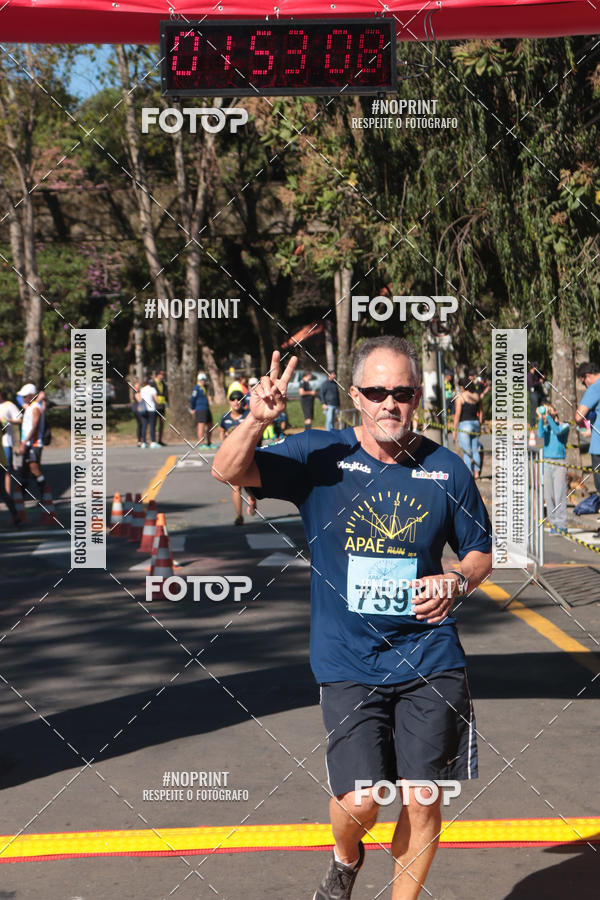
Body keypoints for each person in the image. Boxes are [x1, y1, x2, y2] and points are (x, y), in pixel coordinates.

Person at [213, 337, 492, 900]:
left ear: (418, 397)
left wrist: (457, 581)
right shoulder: (318, 457)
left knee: (422, 796)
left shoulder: (447, 469)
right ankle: (345, 858)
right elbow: (227, 471)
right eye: (376, 391)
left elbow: (479, 550)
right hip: (347, 658)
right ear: (355, 397)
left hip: (429, 655)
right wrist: (254, 421)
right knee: (362, 800)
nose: (390, 403)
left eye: (402, 392)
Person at [575, 361, 600, 532]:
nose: (585, 386)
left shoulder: (594, 388)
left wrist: (587, 420)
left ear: (587, 377)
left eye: (583, 382)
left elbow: (579, 416)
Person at [537, 404, 570, 534]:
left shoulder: (564, 426)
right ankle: (553, 523)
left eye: (550, 410)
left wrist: (549, 417)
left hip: (559, 463)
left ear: (555, 411)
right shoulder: (546, 426)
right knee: (549, 496)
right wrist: (541, 418)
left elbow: (557, 431)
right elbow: (540, 433)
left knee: (559, 494)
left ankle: (562, 524)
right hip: (547, 463)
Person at [218, 391, 249, 525]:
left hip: (248, 454)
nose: (236, 402)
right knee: (236, 486)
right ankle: (239, 516)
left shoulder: (249, 415)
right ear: (229, 402)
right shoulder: (225, 417)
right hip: (233, 457)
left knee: (250, 486)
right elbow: (221, 432)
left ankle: (252, 500)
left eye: (239, 399)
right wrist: (224, 441)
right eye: (233, 399)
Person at [18, 384, 48, 501]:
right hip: (28, 443)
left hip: (33, 444)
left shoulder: (35, 408)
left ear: (31, 395)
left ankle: (45, 494)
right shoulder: (31, 406)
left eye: (25, 396)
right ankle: (20, 496)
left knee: (34, 469)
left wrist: (24, 442)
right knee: (24, 470)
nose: (23, 398)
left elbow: (35, 426)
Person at [452, 376, 483, 478]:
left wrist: (454, 430)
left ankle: (469, 473)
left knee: (467, 451)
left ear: (462, 387)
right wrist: (480, 424)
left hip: (465, 425)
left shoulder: (461, 397)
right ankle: (477, 473)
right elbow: (481, 412)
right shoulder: (477, 396)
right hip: (475, 424)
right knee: (475, 450)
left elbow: (457, 415)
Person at [0, 388, 21, 497]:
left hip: (6, 443)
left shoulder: (9, 405)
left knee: (6, 470)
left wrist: (8, 421)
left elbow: (19, 419)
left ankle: (8, 494)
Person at [190, 373, 213, 448]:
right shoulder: (196, 388)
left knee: (210, 424)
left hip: (206, 408)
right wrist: (193, 408)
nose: (203, 381)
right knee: (201, 426)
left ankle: (209, 442)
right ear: (198, 380)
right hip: (200, 409)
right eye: (201, 380)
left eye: (204, 380)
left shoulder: (204, 387)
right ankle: (202, 443)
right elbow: (192, 399)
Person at [139, 375, 160, 448]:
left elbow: (140, 399)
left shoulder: (142, 389)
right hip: (151, 409)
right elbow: (156, 399)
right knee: (152, 426)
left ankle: (144, 442)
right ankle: (153, 442)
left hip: (143, 409)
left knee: (144, 426)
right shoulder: (152, 389)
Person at [151, 369, 168, 444]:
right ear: (158, 375)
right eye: (161, 375)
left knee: (162, 423)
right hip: (154, 406)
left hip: (162, 406)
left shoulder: (163, 384)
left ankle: (160, 440)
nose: (163, 376)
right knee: (153, 423)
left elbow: (166, 394)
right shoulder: (152, 383)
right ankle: (153, 440)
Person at [527, 362, 545, 430]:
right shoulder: (529, 375)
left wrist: (542, 378)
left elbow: (541, 379)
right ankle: (532, 424)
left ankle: (541, 422)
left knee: (541, 408)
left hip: (538, 393)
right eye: (536, 368)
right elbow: (531, 384)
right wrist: (539, 382)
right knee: (534, 409)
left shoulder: (536, 375)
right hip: (533, 393)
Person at [130, 380, 145, 447]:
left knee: (141, 424)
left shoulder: (137, 390)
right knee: (140, 424)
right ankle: (140, 440)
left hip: (137, 408)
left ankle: (140, 440)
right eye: (138, 384)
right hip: (137, 409)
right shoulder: (136, 390)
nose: (139, 385)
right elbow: (139, 399)